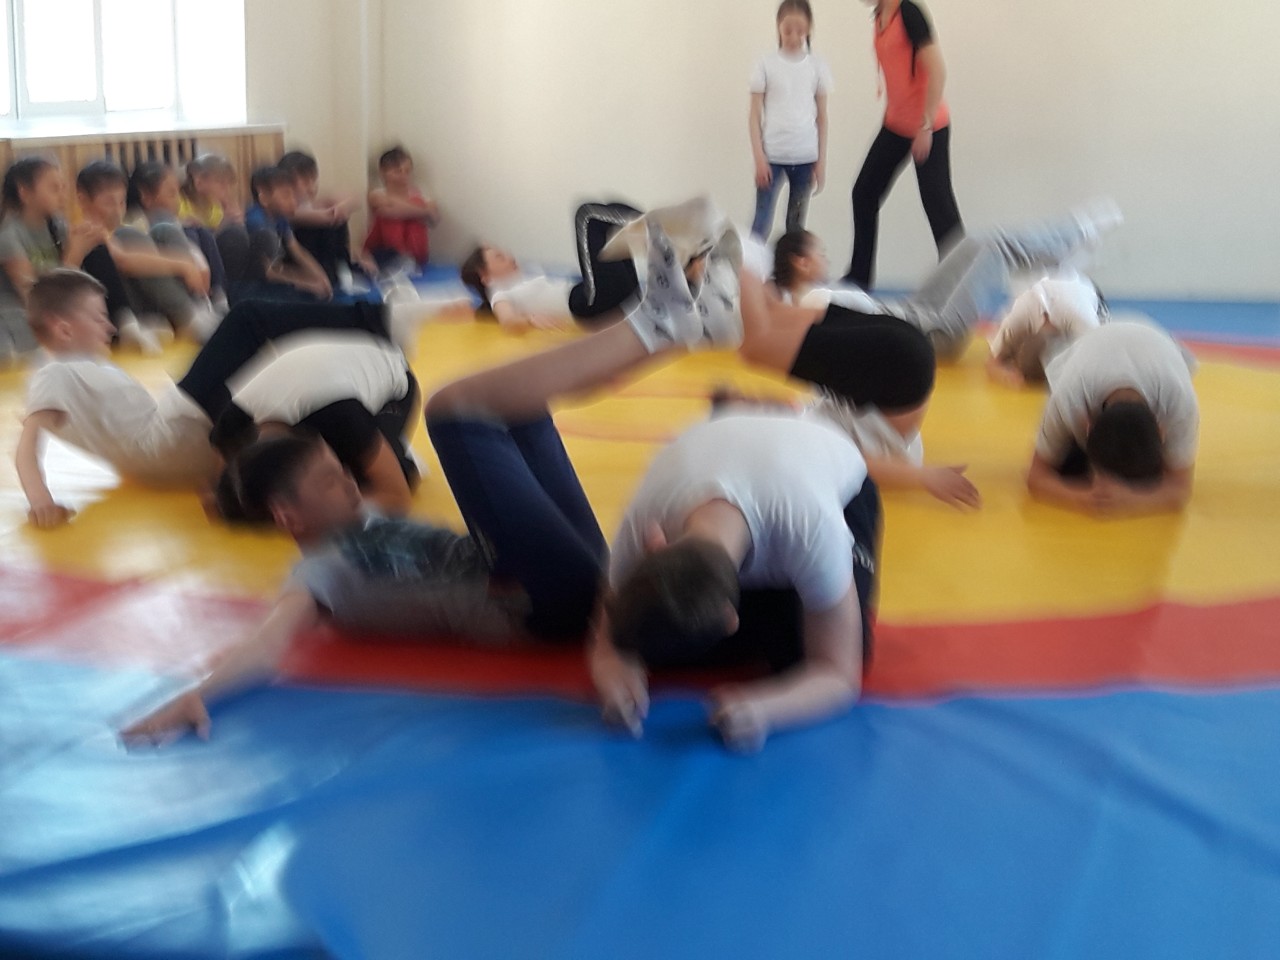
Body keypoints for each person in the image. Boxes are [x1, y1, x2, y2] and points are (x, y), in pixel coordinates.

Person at [120, 204, 741, 744]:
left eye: (341, 470)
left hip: (564, 572)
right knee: (453, 413)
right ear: (290, 516)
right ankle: (658, 326)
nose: (349, 483)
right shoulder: (319, 572)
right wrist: (200, 694)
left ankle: (675, 330)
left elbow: (370, 483)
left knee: (515, 406)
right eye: (331, 482)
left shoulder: (365, 514)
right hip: (533, 606)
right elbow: (268, 643)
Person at [737, 203, 1122, 508]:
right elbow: (859, 462)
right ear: (800, 263)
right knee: (989, 248)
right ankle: (1073, 237)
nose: (826, 256)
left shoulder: (808, 412)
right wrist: (923, 479)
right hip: (926, 335)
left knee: (973, 243)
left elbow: (789, 389)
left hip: (908, 325)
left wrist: (750, 401)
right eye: (818, 252)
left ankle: (1060, 254)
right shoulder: (814, 442)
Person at [15, 271, 430, 527]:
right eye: (98, 317)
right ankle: (381, 319)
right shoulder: (54, 372)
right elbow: (27, 447)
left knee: (280, 376)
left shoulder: (78, 373)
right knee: (247, 320)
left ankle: (379, 457)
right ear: (63, 329)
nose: (109, 327)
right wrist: (41, 501)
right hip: (171, 436)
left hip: (178, 452)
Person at [845, 0, 963, 291]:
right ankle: (859, 280)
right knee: (864, 193)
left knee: (939, 206)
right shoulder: (879, 16)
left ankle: (963, 285)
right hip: (896, 125)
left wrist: (925, 125)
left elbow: (937, 70)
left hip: (928, 125)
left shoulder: (908, 12)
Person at [1025, 320, 1198, 516]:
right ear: (1086, 427)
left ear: (1162, 431)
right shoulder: (1068, 397)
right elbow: (1035, 477)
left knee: (1148, 479)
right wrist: (1082, 498)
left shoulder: (1179, 402)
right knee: (1070, 470)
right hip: (1085, 351)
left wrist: (1132, 500)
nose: (1109, 485)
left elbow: (1180, 488)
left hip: (1159, 349)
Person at [75, 160, 218, 342]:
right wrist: (183, 265)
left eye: (121, 202)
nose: (117, 211)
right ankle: (187, 316)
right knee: (128, 235)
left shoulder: (124, 226)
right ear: (83, 200)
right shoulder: (87, 232)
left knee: (165, 230)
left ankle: (199, 306)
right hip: (121, 307)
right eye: (109, 203)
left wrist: (194, 257)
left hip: (152, 299)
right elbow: (123, 260)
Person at [459, 201, 643, 331]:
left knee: (611, 217)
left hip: (619, 297)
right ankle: (651, 228)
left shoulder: (523, 279)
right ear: (485, 276)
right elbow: (508, 321)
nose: (509, 256)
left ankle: (650, 229)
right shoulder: (499, 294)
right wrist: (529, 320)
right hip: (590, 304)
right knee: (587, 215)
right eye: (500, 257)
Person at [0, 157, 107, 360]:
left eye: (63, 187)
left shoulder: (57, 224)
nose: (63, 195)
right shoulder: (8, 233)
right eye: (54, 188)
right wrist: (75, 254)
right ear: (24, 192)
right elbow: (32, 297)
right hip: (16, 311)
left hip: (49, 309)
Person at [748, 0, 832, 239]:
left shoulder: (817, 66)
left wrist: (821, 161)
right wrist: (759, 158)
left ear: (809, 29)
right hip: (772, 156)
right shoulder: (765, 64)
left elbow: (822, 118)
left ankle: (787, 265)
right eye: (788, 30)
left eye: (800, 31)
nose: (794, 37)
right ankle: (751, 263)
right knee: (761, 223)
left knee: (795, 228)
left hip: (805, 157)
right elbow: (754, 116)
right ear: (778, 27)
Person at [128, 161, 230, 317]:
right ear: (146, 196)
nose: (177, 200)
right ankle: (198, 302)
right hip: (163, 284)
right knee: (189, 234)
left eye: (178, 192)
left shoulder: (167, 218)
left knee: (202, 232)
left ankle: (219, 296)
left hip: (188, 272)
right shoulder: (136, 221)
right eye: (171, 193)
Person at [985, 272, 1107, 388]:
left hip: (1084, 289)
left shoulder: (1082, 317)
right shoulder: (1017, 320)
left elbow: (1101, 363)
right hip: (1050, 287)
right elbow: (992, 362)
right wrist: (1009, 376)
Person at [278, 150, 377, 291]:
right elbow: (324, 218)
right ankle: (337, 270)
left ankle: (343, 264)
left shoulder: (313, 202)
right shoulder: (286, 211)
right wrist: (338, 210)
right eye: (305, 181)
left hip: (328, 258)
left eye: (313, 179)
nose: (311, 186)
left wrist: (342, 206)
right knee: (334, 219)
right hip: (302, 262)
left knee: (338, 217)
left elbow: (355, 199)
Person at [242, 165, 333, 302]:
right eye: (286, 195)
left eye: (294, 195)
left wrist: (322, 278)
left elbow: (298, 251)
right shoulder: (256, 223)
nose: (293, 202)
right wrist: (308, 284)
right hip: (252, 288)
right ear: (264, 198)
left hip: (272, 280)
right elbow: (268, 273)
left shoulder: (279, 217)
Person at [364, 146, 438, 271]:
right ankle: (399, 258)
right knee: (390, 217)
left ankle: (409, 260)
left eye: (407, 171)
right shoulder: (377, 194)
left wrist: (399, 210)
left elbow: (435, 218)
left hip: (415, 254)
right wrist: (424, 212)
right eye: (398, 171)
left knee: (415, 203)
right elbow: (385, 210)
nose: (404, 175)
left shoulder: (419, 195)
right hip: (383, 251)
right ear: (383, 172)